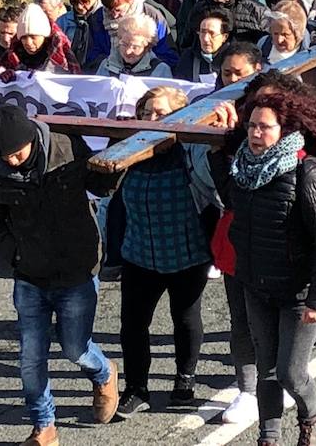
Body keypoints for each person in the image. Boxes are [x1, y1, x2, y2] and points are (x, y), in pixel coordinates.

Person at [0, 105, 119, 445]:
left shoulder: (65, 145)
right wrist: (15, 255)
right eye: (4, 155)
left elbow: (99, 184)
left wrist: (117, 159)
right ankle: (44, 427)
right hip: (29, 274)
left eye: (17, 153)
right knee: (30, 357)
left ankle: (103, 372)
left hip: (77, 268)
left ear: (31, 140)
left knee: (75, 348)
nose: (11, 160)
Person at [222, 89, 316, 446]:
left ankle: (311, 415)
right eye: (251, 127)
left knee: (292, 373)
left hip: (298, 291)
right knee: (267, 371)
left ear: (286, 131)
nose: (255, 133)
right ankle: (269, 437)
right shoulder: (242, 168)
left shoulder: (309, 173)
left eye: (264, 127)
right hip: (256, 286)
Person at [114, 87, 216, 418]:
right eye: (147, 114)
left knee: (185, 319)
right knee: (132, 324)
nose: (153, 120)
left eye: (162, 114)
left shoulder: (191, 152)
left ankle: (184, 381)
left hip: (187, 252)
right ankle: (136, 389)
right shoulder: (129, 152)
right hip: (139, 252)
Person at [87, 0, 178, 70]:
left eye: (118, 10)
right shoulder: (97, 19)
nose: (114, 15)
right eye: (109, 10)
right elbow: (92, 55)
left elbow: (168, 56)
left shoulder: (153, 17)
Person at [0, 4, 81, 75]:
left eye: (33, 37)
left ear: (44, 36)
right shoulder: (14, 52)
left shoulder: (59, 50)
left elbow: (74, 80)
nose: (28, 42)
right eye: (23, 38)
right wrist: (6, 75)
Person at [94, 13, 172, 78]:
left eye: (135, 47)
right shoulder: (106, 65)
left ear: (147, 47)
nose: (128, 51)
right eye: (124, 44)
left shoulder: (161, 70)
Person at [57, 0, 101, 71]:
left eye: (85, 1)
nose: (79, 7)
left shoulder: (105, 20)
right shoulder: (62, 22)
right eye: (74, 2)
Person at [175, 7, 232, 83]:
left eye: (212, 34)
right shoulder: (188, 57)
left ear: (224, 37)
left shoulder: (232, 58)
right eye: (202, 32)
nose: (206, 39)